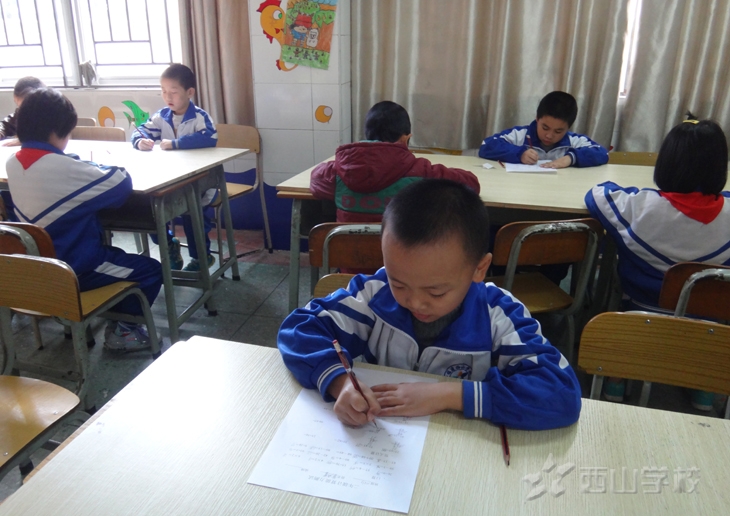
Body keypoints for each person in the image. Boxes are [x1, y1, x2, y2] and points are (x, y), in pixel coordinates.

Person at [278, 179, 582, 430]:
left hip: (457, 448)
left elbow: (561, 394)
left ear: (479, 269)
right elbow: (298, 329)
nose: (415, 302)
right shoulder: (375, 294)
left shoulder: (498, 315)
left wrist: (450, 395)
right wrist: (340, 382)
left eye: (436, 292)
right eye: (399, 283)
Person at [585, 113, 730, 409]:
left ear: (666, 162)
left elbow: (597, 193)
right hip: (709, 323)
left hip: (641, 311)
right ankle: (703, 385)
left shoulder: (639, 206)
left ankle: (616, 379)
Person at [5, 88, 162, 352]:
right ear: (58, 132)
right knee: (151, 270)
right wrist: (82, 165)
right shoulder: (64, 167)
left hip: (34, 271)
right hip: (75, 270)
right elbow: (121, 183)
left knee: (114, 253)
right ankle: (123, 331)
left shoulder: (13, 162)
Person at [310, 101, 480, 223]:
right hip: (400, 262)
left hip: (349, 262)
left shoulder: (337, 171)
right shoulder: (422, 171)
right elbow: (471, 185)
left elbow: (316, 182)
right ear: (405, 139)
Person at [131, 63, 218, 271]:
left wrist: (176, 143)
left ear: (190, 92)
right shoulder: (161, 116)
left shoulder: (199, 117)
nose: (167, 97)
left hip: (199, 183)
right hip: (169, 181)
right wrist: (140, 141)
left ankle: (201, 257)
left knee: (192, 216)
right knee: (148, 211)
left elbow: (209, 138)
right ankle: (169, 245)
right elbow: (140, 130)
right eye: (163, 91)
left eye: (173, 92)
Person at [479, 91, 608, 169]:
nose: (549, 135)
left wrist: (570, 158)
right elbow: (486, 146)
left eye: (558, 131)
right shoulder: (520, 135)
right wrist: (519, 154)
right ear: (537, 119)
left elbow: (602, 153)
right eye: (545, 127)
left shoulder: (573, 141)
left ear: (568, 127)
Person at [0, 77, 45, 221]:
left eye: (25, 105)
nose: (22, 110)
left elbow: (48, 135)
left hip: (41, 176)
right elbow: (5, 124)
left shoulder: (53, 114)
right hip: (22, 174)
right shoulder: (20, 114)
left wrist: (24, 139)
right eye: (19, 106)